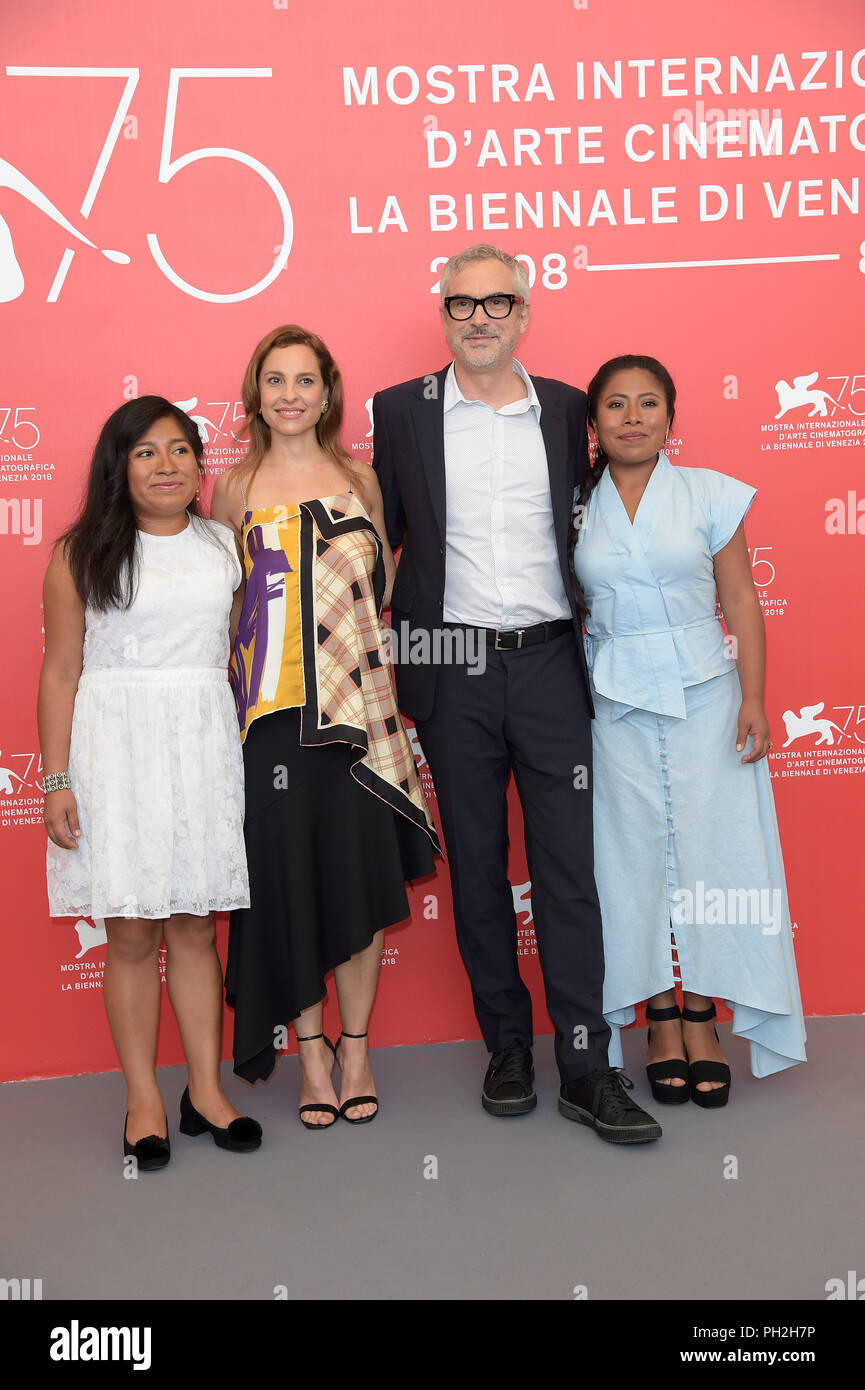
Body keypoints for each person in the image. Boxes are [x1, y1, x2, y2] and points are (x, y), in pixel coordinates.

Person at [372, 244, 661, 1143]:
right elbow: (379, 537)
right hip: (450, 664)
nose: (481, 318)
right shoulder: (401, 412)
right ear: (444, 314)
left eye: (499, 303)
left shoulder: (571, 408)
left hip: (548, 666)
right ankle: (505, 1043)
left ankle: (585, 1063)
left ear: (524, 313)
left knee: (568, 870)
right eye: (463, 305)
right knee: (478, 869)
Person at [211, 325, 439, 1128]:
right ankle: (307, 1053)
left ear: (327, 392)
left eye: (305, 381)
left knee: (358, 876)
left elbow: (379, 596)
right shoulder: (234, 488)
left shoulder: (359, 478)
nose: (290, 395)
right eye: (275, 380)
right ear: (257, 392)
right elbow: (230, 612)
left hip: (359, 714)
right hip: (273, 720)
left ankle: (356, 1047)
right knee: (287, 881)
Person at [571, 355, 807, 1107]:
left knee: (714, 855)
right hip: (611, 703)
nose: (632, 417)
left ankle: (702, 1012)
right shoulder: (572, 506)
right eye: (615, 404)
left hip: (708, 694)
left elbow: (740, 598)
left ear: (671, 418)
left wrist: (754, 698)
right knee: (629, 861)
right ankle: (656, 1015)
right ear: (594, 423)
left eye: (647, 404)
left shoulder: (708, 493)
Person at [39, 397, 262, 1169]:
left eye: (179, 450)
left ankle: (205, 1089)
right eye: (145, 453)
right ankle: (142, 1098)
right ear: (118, 466)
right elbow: (62, 668)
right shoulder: (81, 554)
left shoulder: (222, 545)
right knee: (131, 933)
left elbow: (240, 652)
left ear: (199, 464)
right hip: (115, 747)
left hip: (199, 739)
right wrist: (57, 777)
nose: (166, 466)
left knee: (198, 925)